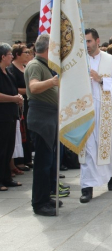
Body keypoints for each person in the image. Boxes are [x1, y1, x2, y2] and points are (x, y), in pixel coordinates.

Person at [80, 28, 112, 203]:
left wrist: (100, 79)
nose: (86, 45)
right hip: (85, 110)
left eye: (89, 41)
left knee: (107, 145)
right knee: (87, 148)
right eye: (84, 42)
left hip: (106, 109)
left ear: (97, 41)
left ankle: (111, 176)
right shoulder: (79, 61)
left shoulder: (111, 60)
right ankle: (86, 187)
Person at [24, 35, 59, 215]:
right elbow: (34, 87)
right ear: (48, 49)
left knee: (48, 162)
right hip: (41, 119)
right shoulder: (35, 65)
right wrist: (52, 82)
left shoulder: (43, 65)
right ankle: (39, 203)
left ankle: (45, 197)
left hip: (48, 119)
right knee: (42, 164)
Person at [0, 43, 23, 192]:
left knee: (8, 149)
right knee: (1, 149)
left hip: (10, 115)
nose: (11, 56)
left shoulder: (7, 72)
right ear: (2, 57)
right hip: (2, 116)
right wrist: (14, 98)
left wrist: (17, 97)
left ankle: (6, 177)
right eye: (9, 54)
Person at [7, 44, 32, 172]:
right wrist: (29, 91)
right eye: (25, 52)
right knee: (20, 132)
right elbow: (13, 88)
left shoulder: (26, 67)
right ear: (18, 54)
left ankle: (27, 158)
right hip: (19, 102)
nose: (28, 54)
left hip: (28, 102)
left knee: (26, 131)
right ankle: (17, 161)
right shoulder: (12, 69)